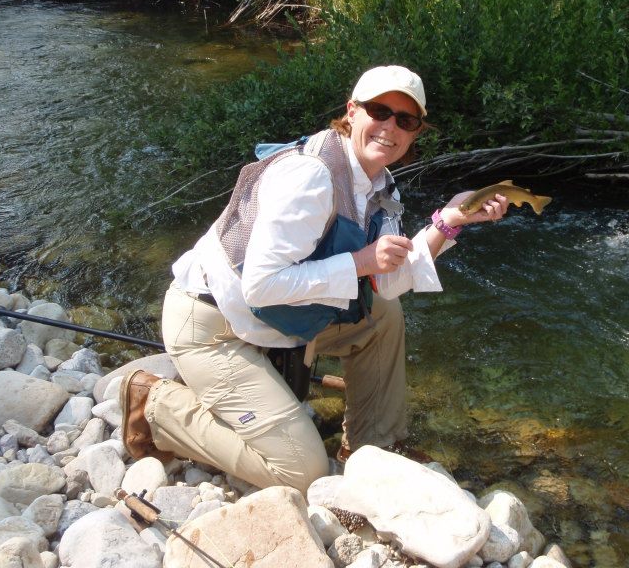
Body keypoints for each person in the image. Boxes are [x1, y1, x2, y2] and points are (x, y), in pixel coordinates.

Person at [120, 65, 509, 492]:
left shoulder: (381, 186)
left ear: (416, 131)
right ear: (352, 111)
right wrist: (359, 263)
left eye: (406, 120)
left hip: (277, 320)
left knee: (383, 313)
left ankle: (370, 448)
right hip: (215, 325)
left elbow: (390, 281)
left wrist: (449, 222)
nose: (389, 127)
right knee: (303, 472)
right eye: (379, 110)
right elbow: (262, 285)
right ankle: (156, 405)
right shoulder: (310, 177)